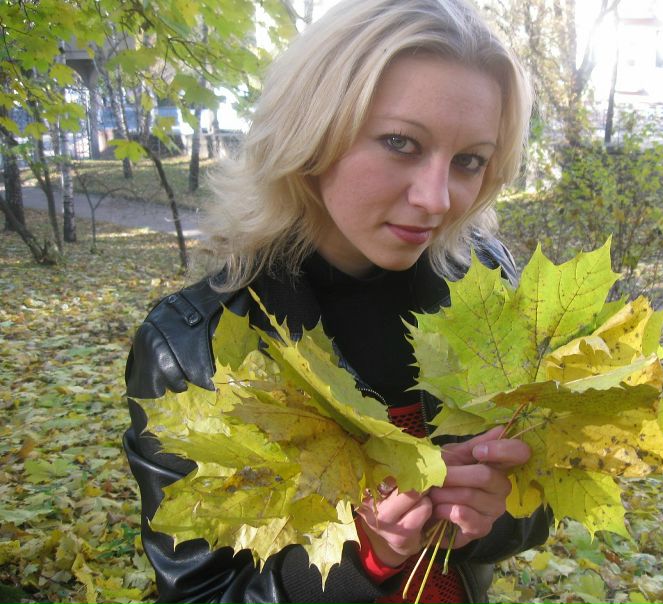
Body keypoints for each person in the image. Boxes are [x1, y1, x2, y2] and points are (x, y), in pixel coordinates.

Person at [123, 0, 552, 602]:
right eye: (401, 142)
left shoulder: (486, 285)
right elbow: (202, 593)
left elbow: (537, 505)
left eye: (469, 161)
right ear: (311, 133)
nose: (436, 199)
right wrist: (360, 557)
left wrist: (493, 515)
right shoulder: (194, 349)